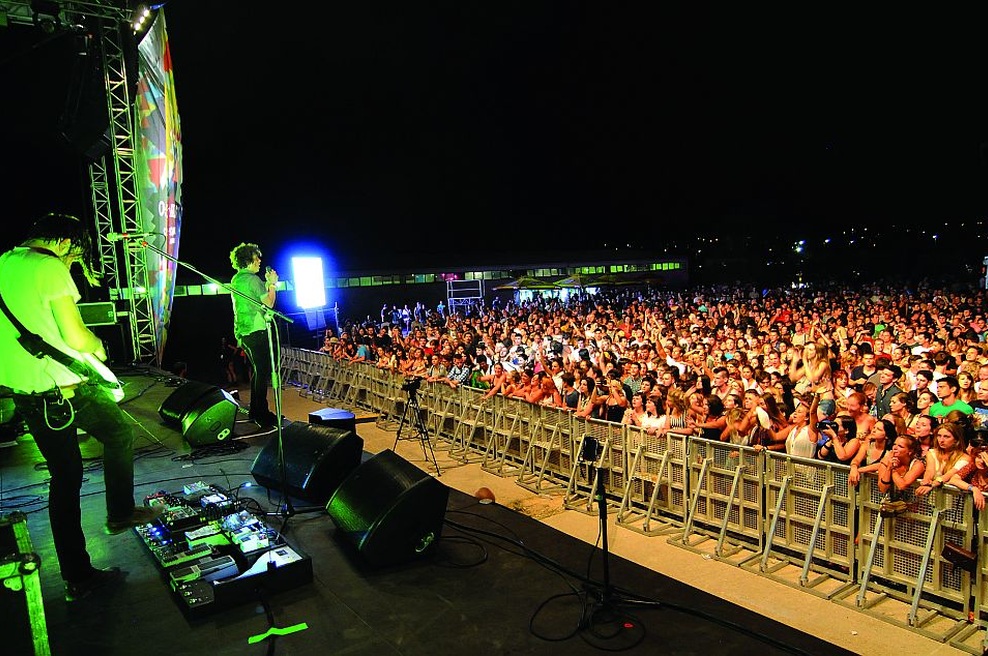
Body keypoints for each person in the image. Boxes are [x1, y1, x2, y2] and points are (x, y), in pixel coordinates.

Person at [0, 212, 159, 601]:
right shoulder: (49, 266)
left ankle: (119, 516)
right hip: (59, 389)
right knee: (71, 479)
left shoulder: (4, 261)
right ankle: (79, 573)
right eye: (74, 254)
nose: (73, 261)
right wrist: (96, 346)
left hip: (28, 391)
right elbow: (76, 335)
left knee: (106, 443)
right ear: (65, 243)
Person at [229, 242, 280, 428]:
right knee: (263, 371)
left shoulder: (237, 279)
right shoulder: (252, 279)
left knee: (258, 372)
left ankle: (256, 411)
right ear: (249, 259)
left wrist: (265, 283)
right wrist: (272, 284)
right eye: (257, 257)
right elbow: (269, 303)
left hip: (243, 332)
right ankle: (262, 414)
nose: (259, 261)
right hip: (256, 331)